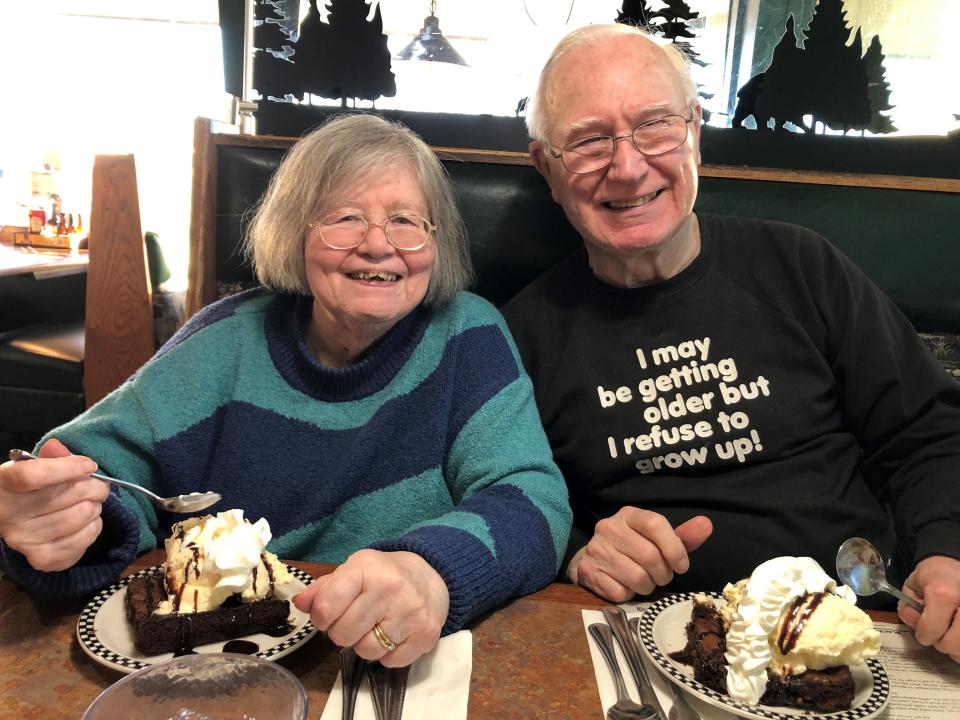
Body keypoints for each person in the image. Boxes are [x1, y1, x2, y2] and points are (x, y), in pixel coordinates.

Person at [0, 113, 572, 667]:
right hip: (219, 666)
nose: (378, 245)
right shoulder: (222, 342)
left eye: (405, 220)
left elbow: (533, 500)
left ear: (436, 242)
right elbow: (100, 472)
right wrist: (64, 520)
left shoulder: (467, 334)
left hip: (400, 662)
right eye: (344, 218)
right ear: (293, 232)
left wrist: (435, 571)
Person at [502, 23, 960, 660]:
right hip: (655, 644)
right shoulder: (521, 335)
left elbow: (930, 434)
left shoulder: (801, 266)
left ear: (694, 131)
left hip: (861, 632)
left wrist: (947, 553)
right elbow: (507, 496)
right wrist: (581, 547)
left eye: (655, 124)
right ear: (545, 169)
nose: (629, 167)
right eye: (587, 141)